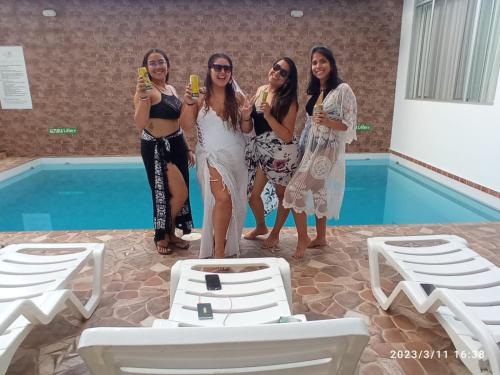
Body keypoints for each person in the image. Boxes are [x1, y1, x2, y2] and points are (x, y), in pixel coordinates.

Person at [283, 45, 357, 259]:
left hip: (327, 149)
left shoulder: (343, 90)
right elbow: (310, 124)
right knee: (318, 190)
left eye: (322, 61)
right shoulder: (317, 91)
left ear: (331, 64)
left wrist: (328, 121)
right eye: (314, 62)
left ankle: (303, 238)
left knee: (293, 191)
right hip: (310, 149)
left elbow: (350, 125)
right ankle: (321, 237)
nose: (318, 66)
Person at [180, 53, 252, 259]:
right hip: (210, 156)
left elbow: (246, 130)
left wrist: (246, 117)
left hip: (236, 157)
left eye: (226, 68)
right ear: (209, 70)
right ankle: (218, 251)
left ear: (231, 72)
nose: (222, 72)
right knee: (222, 197)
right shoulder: (199, 97)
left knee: (233, 203)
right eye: (217, 67)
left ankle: (222, 240)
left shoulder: (238, 98)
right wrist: (188, 102)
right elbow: (185, 126)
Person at [134, 48, 194, 255]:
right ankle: (160, 234)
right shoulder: (146, 91)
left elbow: (177, 122)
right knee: (175, 193)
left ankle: (170, 233)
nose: (158, 66)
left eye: (161, 62)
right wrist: (142, 98)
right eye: (153, 63)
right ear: (146, 68)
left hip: (176, 145)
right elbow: (140, 123)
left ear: (168, 65)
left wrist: (187, 147)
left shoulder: (170, 88)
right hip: (157, 148)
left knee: (177, 194)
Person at [243, 58, 299, 251]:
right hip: (262, 151)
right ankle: (261, 226)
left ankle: (275, 233)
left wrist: (269, 116)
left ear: (288, 80)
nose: (276, 73)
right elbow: (248, 115)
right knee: (253, 195)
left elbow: (287, 135)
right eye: (276, 68)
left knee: (282, 194)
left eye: (283, 73)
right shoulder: (261, 90)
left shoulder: (288, 100)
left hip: (282, 154)